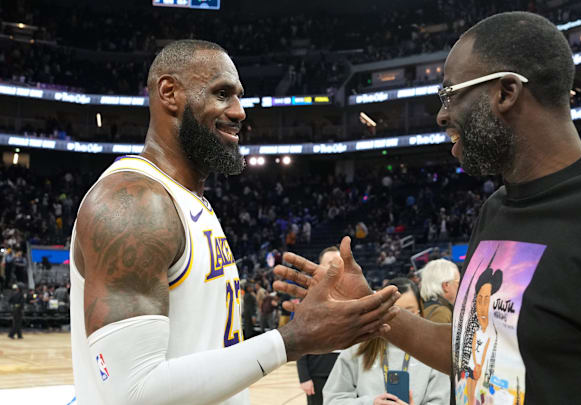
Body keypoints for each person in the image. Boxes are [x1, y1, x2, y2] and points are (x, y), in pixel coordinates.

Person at [274, 12, 581, 405]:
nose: (441, 115)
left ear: (506, 92)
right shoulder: (496, 211)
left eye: (450, 94)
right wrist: (373, 309)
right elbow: (475, 352)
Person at [69, 39, 400, 405]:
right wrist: (293, 340)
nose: (240, 111)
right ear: (169, 93)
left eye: (238, 96)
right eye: (222, 93)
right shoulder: (133, 203)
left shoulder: (190, 202)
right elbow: (131, 393)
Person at [322, 278, 449, 405]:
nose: (402, 321)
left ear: (420, 313)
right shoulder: (358, 348)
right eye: (393, 313)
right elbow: (332, 399)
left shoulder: (432, 352)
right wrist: (370, 403)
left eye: (410, 312)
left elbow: (441, 401)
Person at [296, 246, 342, 405]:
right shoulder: (309, 300)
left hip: (346, 373)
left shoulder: (355, 297)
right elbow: (300, 341)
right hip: (318, 374)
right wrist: (304, 377)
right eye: (330, 263)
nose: (335, 266)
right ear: (320, 267)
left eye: (338, 262)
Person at [419, 259, 460, 323]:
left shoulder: (421, 308)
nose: (460, 287)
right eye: (458, 282)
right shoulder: (441, 313)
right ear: (446, 285)